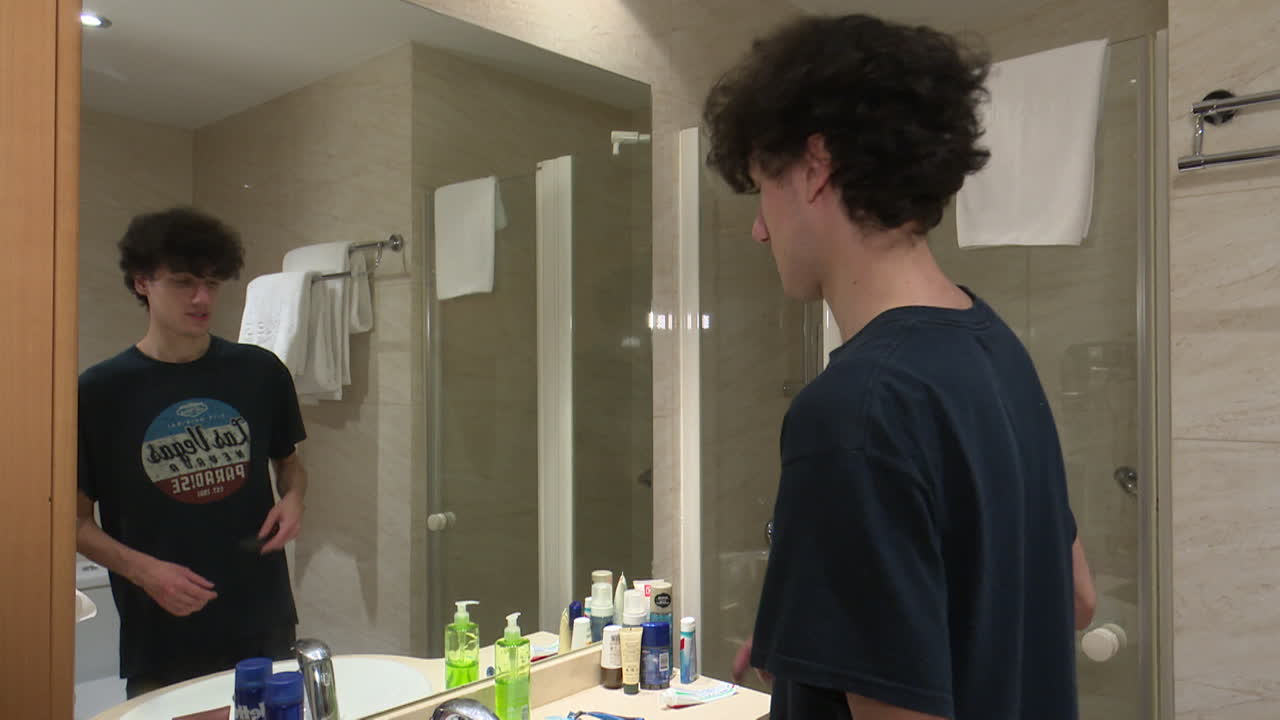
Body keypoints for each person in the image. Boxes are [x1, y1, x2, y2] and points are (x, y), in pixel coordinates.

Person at [703, 14, 1097, 720]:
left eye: (763, 187)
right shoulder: (995, 348)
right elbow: (1074, 597)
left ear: (816, 168)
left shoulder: (854, 410)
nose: (759, 227)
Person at [76, 207, 309, 698]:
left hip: (261, 610)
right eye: (183, 282)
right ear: (142, 283)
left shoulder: (260, 372)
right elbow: (72, 523)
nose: (202, 298)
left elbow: (287, 463)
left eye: (212, 282)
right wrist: (146, 573)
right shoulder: (99, 391)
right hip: (163, 623)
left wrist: (293, 501)